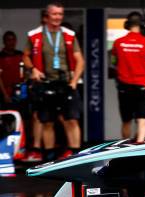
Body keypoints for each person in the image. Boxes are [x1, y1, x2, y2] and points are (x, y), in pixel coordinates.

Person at [23, 1, 84, 160]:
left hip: (66, 83)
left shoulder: (69, 35)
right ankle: (48, 155)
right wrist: (33, 69)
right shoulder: (35, 35)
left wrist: (74, 81)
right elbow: (26, 56)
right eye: (54, 14)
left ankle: (75, 154)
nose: (58, 17)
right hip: (45, 84)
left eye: (60, 14)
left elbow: (80, 61)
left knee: (72, 119)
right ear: (47, 16)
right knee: (47, 121)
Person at [111, 12, 145, 142]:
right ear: (141, 25)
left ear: (127, 25)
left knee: (126, 121)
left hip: (124, 86)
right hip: (142, 85)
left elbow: (113, 62)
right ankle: (139, 147)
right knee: (142, 120)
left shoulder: (118, 43)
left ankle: (125, 148)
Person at [0, 31, 23, 109]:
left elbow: (26, 71)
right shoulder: (1, 56)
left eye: (13, 40)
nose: (11, 42)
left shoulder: (20, 54)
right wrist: (5, 95)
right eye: (8, 40)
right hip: (6, 93)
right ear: (4, 42)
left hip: (20, 91)